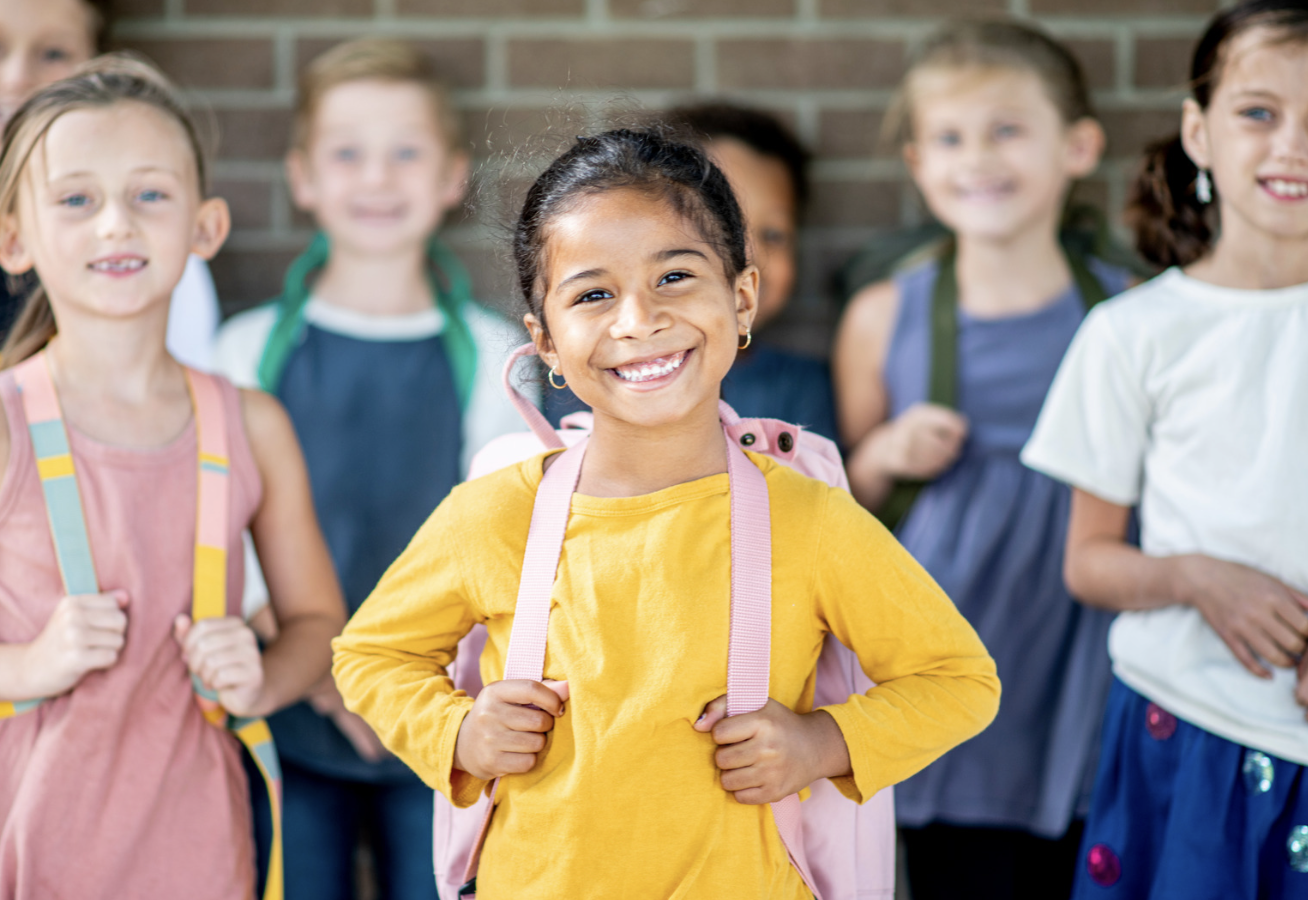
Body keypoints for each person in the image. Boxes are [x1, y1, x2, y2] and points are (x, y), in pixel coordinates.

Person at [331, 128, 1000, 899]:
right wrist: (458, 732)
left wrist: (822, 742)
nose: (637, 319)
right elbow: (369, 656)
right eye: (592, 295)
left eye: (675, 276)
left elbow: (957, 681)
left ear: (740, 298)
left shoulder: (812, 522)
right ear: (546, 342)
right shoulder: (494, 515)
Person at [0, 57, 345, 898]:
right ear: (15, 236)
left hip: (198, 841)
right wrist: (24, 667)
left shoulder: (254, 425)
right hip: (16, 840)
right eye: (75, 199)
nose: (115, 226)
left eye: (149, 196)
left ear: (205, 227)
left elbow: (319, 621)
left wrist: (265, 674)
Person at [212, 38, 526, 900]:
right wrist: (325, 679)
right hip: (285, 705)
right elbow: (218, 530)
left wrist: (402, 691)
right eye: (348, 153)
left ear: (452, 176)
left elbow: (503, 543)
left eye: (405, 152)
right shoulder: (246, 351)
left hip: (440, 715)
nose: (377, 177)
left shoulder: (494, 357)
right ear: (303, 177)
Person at [832, 20, 1127, 900]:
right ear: (919, 163)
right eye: (952, 139)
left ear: (1077, 147)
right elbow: (845, 501)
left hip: (1084, 633)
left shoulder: (1129, 313)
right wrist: (885, 449)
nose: (979, 160)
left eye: (1007, 130)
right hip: (951, 630)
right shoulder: (886, 316)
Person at [1021, 2, 1308, 897]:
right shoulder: (1133, 335)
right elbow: (1089, 563)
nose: (1292, 145)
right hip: (1186, 733)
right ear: (1200, 132)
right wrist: (1197, 577)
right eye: (1259, 112)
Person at [0, 0, 219, 388]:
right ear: (11, 241)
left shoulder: (161, 254)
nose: (17, 77)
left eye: (54, 53)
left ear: (98, 71)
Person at [543, 102, 838, 442]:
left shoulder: (804, 383)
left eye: (773, 234)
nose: (749, 254)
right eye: (729, 226)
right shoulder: (594, 373)